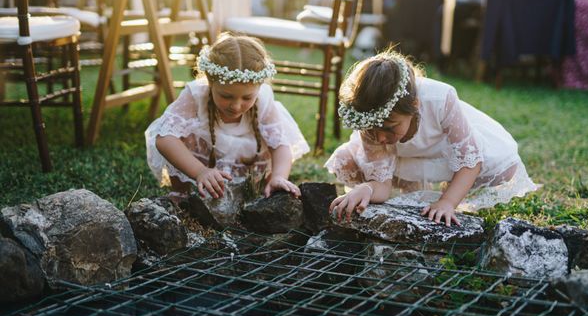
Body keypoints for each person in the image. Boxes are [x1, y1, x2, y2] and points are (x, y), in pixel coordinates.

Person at [325, 51, 537, 226]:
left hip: (444, 150)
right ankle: (413, 186)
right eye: (372, 130)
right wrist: (367, 187)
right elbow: (382, 185)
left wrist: (447, 202)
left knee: (503, 168)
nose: (380, 137)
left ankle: (448, 190)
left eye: (390, 128)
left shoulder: (440, 99)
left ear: (415, 105)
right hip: (402, 157)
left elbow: (470, 163)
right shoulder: (372, 124)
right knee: (350, 160)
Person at [145, 33, 310, 200]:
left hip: (247, 157)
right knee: (176, 133)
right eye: (226, 96)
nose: (236, 106)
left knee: (271, 141)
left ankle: (264, 186)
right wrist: (200, 171)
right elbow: (164, 139)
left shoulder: (263, 99)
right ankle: (182, 192)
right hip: (201, 162)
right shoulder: (196, 95)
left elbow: (281, 144)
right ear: (210, 82)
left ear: (259, 88)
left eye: (247, 98)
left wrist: (278, 176)